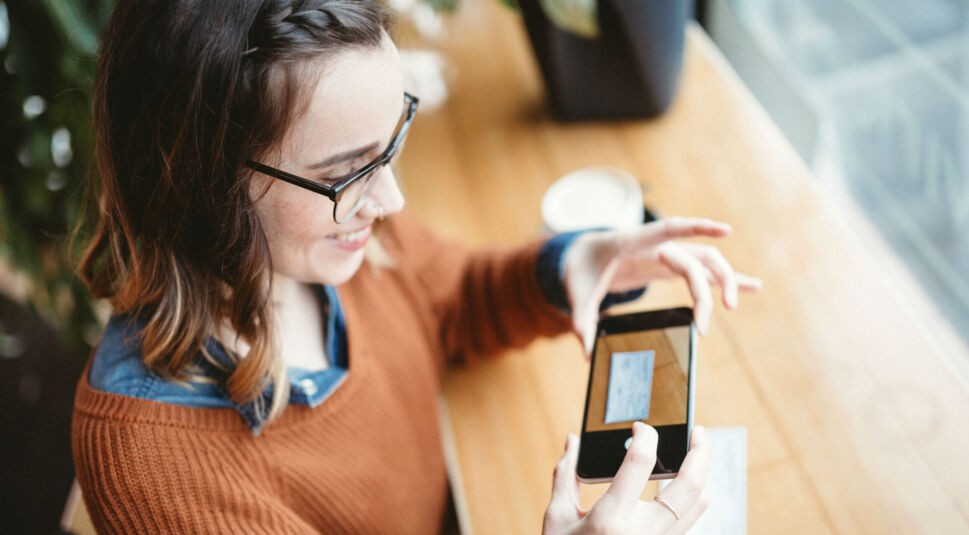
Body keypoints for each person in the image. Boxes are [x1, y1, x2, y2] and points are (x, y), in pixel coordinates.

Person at [72, 1, 762, 533]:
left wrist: (571, 264)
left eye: (391, 140)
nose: (392, 199)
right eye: (347, 172)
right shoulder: (153, 470)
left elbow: (450, 300)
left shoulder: (333, 239)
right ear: (199, 182)